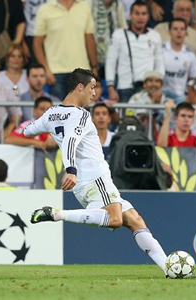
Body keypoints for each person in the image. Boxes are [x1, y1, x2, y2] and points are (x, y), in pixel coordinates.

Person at [24, 68, 170, 277]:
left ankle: (169, 269)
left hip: (84, 185)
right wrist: (71, 170)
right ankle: (57, 214)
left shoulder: (51, 114)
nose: (94, 93)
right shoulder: (81, 115)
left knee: (135, 220)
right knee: (115, 219)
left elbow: (29, 129)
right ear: (80, 87)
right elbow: (70, 141)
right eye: (92, 88)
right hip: (95, 179)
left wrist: (34, 128)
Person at [34, 0, 97, 100]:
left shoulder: (84, 8)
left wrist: (94, 67)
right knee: (59, 113)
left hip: (82, 71)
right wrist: (46, 69)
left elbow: (90, 40)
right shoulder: (45, 9)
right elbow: (37, 43)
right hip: (55, 72)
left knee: (80, 112)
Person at [106, 1, 164, 103]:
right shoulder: (119, 34)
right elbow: (111, 62)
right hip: (125, 86)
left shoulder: (155, 36)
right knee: (126, 118)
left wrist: (158, 85)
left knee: (147, 118)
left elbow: (159, 62)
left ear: (148, 16)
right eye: (137, 13)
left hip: (148, 88)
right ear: (130, 15)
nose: (140, 17)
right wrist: (111, 87)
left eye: (143, 14)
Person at [162, 18, 196, 104]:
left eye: (182, 29)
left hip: (182, 98)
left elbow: (194, 78)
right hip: (163, 97)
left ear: (185, 32)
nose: (179, 32)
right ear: (169, 31)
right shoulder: (161, 51)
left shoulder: (191, 55)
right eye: (175, 29)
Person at [88, 0, 127, 77]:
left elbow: (123, 31)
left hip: (114, 58)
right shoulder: (89, 4)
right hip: (92, 57)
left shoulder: (118, 6)